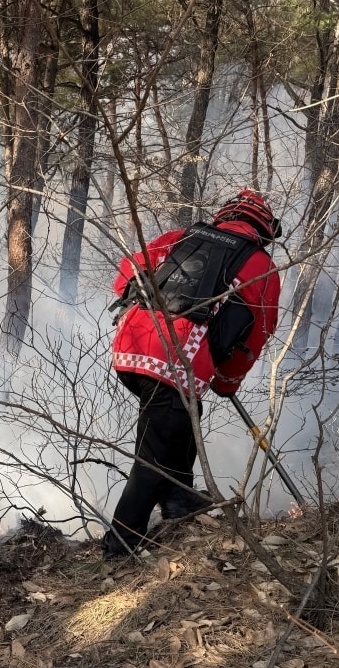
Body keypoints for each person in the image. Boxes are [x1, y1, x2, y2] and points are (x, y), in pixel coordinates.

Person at [101, 189, 282, 558]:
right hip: (177, 361)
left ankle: (180, 506)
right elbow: (256, 334)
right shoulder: (261, 266)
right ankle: (119, 548)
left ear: (225, 215)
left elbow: (125, 275)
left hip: (129, 350)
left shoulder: (183, 237)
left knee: (183, 421)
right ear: (263, 229)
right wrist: (226, 382)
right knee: (154, 456)